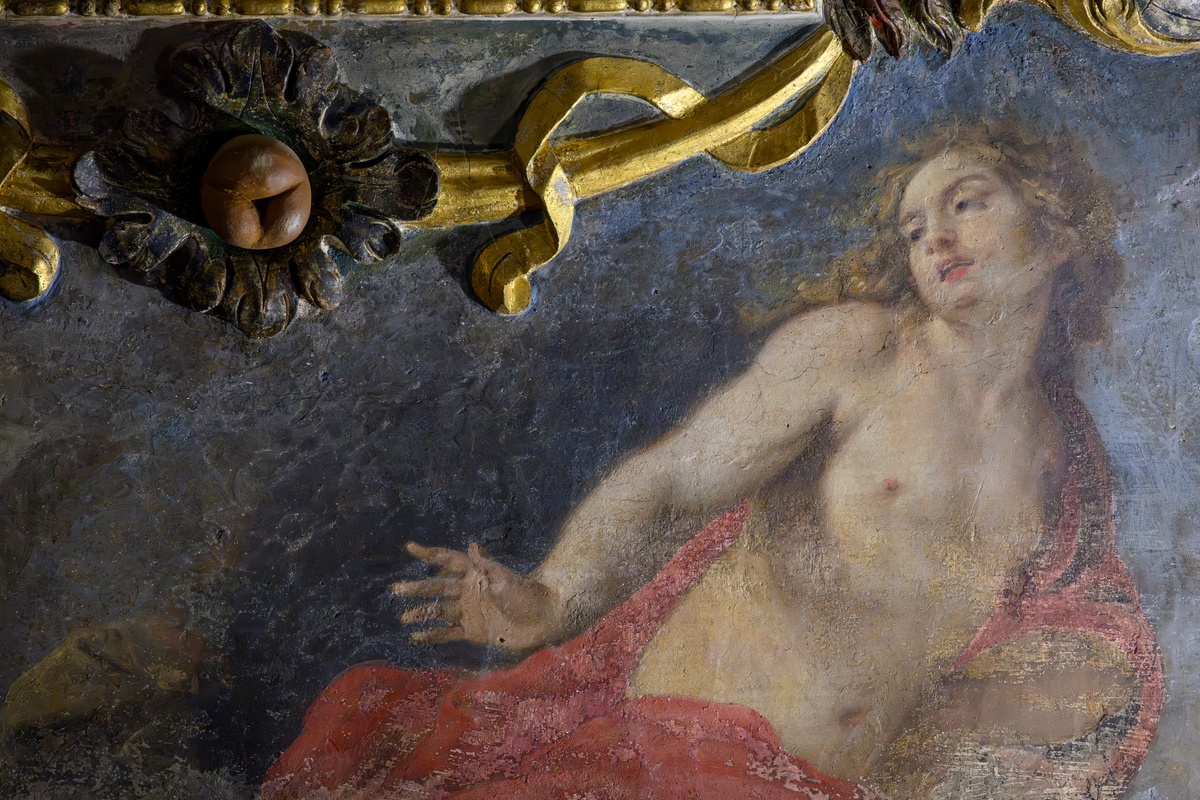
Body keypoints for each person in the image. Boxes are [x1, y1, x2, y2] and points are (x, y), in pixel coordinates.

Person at [263, 126, 1161, 799]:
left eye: (966, 203)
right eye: (913, 227)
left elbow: (1090, 637)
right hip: (672, 757)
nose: (933, 238)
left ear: (1058, 230)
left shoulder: (1065, 454)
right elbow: (672, 482)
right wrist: (552, 598)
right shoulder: (862, 353)